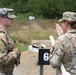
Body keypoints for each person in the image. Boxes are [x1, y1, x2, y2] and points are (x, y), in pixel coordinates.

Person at [0, 8, 21, 75]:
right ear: (2, 19)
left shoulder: (6, 34)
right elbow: (2, 59)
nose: (13, 21)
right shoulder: (1, 35)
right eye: (10, 19)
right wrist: (16, 52)